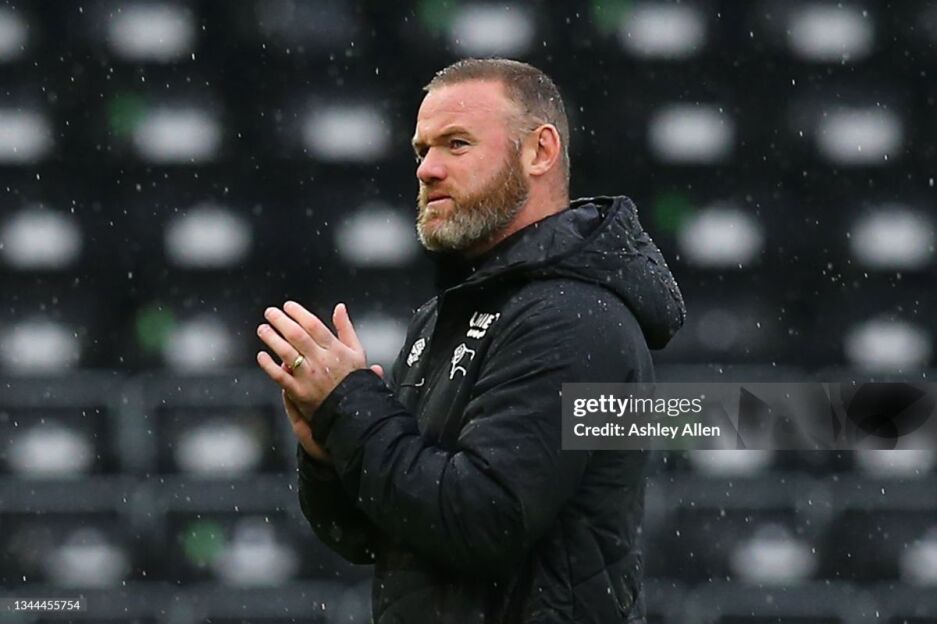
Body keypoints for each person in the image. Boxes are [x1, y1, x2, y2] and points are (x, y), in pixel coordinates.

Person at [255, 58, 685, 624]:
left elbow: (483, 519)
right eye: (421, 151)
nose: (427, 170)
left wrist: (351, 408)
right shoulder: (446, 314)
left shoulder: (573, 316)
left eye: (456, 144)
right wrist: (329, 445)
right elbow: (375, 534)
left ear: (540, 151)